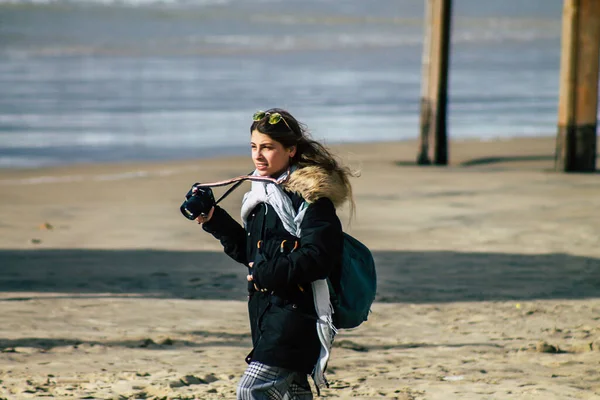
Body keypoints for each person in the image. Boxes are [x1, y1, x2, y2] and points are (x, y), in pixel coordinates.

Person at [196, 108, 356, 400]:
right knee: (293, 394)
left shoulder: (312, 198)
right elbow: (252, 253)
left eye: (268, 148)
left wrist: (263, 275)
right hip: (267, 310)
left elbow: (318, 259)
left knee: (251, 390)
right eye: (254, 147)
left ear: (291, 150)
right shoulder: (261, 194)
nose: (258, 156)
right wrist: (214, 220)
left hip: (298, 314)